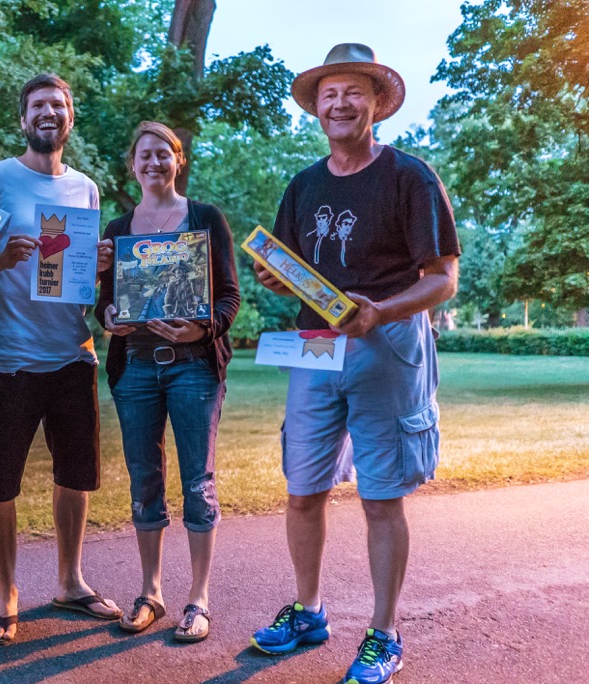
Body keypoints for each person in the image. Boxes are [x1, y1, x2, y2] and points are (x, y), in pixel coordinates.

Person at [248, 44, 460, 684]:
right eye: (328, 94)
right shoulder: (304, 184)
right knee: (302, 489)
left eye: (353, 92)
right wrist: (280, 279)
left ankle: (384, 633)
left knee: (381, 496)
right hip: (315, 347)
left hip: (387, 345)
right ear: (317, 106)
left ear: (376, 103)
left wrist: (382, 311)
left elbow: (444, 279)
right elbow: (294, 267)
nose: (339, 104)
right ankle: (309, 611)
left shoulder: (410, 177)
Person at [0, 73, 121, 646]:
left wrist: (100, 269)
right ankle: (6, 597)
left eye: (58, 104)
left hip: (72, 356)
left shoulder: (86, 189)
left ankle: (70, 581)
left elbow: (79, 279)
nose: (49, 113)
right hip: (8, 359)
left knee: (75, 477)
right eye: (38, 105)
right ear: (23, 117)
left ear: (70, 117)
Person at [95, 121, 241, 643]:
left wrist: (202, 326)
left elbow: (229, 297)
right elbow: (103, 303)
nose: (153, 163)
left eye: (164, 154)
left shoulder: (204, 219)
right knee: (143, 480)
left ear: (178, 160)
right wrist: (108, 316)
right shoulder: (115, 229)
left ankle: (199, 599)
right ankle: (150, 593)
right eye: (144, 155)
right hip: (135, 367)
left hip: (193, 368)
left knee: (198, 483)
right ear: (131, 165)